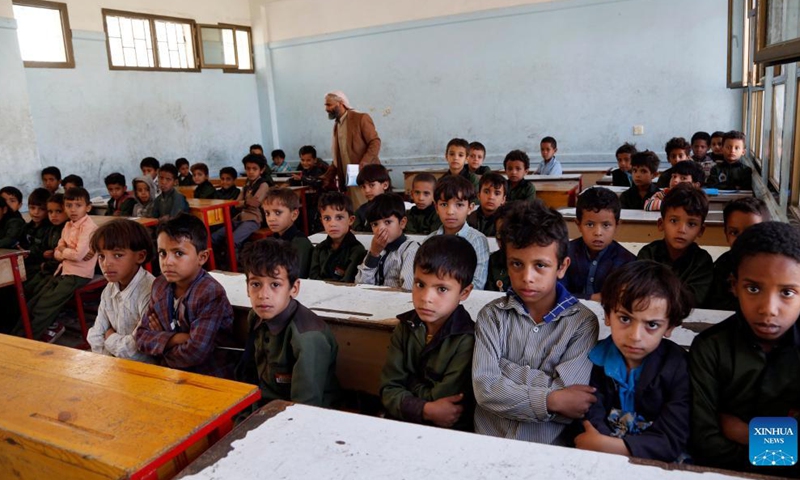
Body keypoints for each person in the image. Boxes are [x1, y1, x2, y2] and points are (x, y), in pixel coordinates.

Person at [472, 200, 599, 444]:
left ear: (562, 267)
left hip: (547, 448)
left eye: (540, 265)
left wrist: (505, 372)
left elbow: (572, 405)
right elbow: (485, 390)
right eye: (516, 264)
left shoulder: (582, 323)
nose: (527, 277)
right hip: (487, 441)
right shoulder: (492, 316)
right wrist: (551, 398)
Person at [690, 222, 800, 475]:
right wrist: (786, 443)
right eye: (753, 289)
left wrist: (746, 433)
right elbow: (705, 443)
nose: (769, 309)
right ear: (734, 286)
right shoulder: (710, 349)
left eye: (787, 292)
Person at [575, 260, 692, 462]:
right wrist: (601, 443)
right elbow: (591, 418)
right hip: (601, 460)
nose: (635, 336)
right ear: (608, 316)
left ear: (670, 327)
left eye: (652, 324)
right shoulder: (595, 360)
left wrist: (606, 445)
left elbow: (671, 439)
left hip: (660, 464)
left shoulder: (678, 367)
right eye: (625, 319)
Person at [380, 235, 477, 431]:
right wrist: (426, 408)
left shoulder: (466, 339)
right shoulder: (405, 326)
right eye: (420, 284)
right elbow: (387, 389)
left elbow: (445, 402)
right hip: (403, 425)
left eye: (441, 288)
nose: (426, 298)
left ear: (464, 293)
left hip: (448, 432)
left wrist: (408, 385)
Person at [236, 238, 341, 407]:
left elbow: (304, 407)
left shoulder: (307, 338)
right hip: (263, 405)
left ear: (294, 288)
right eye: (255, 284)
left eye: (275, 284)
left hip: (300, 416)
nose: (263, 295)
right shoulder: (256, 317)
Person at [134, 214, 236, 378]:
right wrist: (176, 339)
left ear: (202, 257)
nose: (168, 262)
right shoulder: (160, 285)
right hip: (171, 376)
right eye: (162, 253)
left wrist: (161, 347)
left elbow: (196, 352)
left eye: (178, 253)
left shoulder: (209, 293)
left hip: (209, 378)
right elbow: (140, 337)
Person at [16, 188, 98, 342]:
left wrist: (64, 251)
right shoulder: (67, 226)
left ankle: (27, 341)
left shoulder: (88, 228)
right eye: (69, 205)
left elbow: (77, 255)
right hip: (64, 270)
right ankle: (15, 339)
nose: (73, 209)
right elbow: (57, 254)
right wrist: (66, 252)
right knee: (33, 303)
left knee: (44, 307)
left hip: (78, 275)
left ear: (88, 207)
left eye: (78, 205)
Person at [86, 219, 156, 363]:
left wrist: (110, 336)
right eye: (101, 256)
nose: (106, 263)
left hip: (144, 371)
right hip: (114, 365)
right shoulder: (109, 289)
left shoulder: (150, 292)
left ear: (140, 256)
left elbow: (136, 350)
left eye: (117, 255)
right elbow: (95, 335)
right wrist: (109, 359)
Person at [637, 184, 713, 306]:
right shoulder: (648, 254)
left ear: (701, 231)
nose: (682, 230)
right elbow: (641, 293)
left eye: (692, 224)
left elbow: (693, 299)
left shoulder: (702, 261)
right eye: (674, 221)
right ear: (661, 224)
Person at [561, 187, 636, 300]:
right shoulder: (565, 253)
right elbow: (555, 293)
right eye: (590, 224)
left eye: (606, 225)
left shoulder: (627, 261)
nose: (598, 233)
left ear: (617, 225)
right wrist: (592, 298)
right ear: (578, 224)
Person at [427, 175, 490, 290]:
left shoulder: (477, 240)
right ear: (436, 208)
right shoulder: (430, 241)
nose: (450, 212)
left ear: (470, 208)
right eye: (444, 204)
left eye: (459, 205)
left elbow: (477, 283)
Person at [705, 197, 769, 310]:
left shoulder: (774, 267)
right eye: (734, 232)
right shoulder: (722, 266)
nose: (742, 239)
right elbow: (715, 305)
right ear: (726, 235)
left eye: (751, 232)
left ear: (765, 234)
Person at [323, 91, 381, 203]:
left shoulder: (360, 118)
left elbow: (375, 142)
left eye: (329, 105)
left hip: (365, 174)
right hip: (349, 177)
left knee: (369, 207)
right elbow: (339, 155)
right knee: (355, 209)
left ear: (341, 103)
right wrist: (329, 175)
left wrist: (365, 162)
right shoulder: (337, 125)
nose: (326, 109)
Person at [355, 193, 419, 290]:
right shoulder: (375, 248)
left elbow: (408, 290)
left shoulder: (410, 251)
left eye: (388, 222)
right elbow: (360, 285)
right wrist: (374, 254)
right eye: (375, 224)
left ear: (402, 223)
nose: (380, 229)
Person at [211, 153, 270, 255]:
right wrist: (246, 202)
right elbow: (236, 204)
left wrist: (244, 202)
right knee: (214, 237)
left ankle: (237, 265)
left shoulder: (263, 185)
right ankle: (222, 262)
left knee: (232, 241)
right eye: (248, 168)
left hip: (253, 219)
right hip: (240, 218)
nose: (250, 172)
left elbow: (254, 204)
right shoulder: (247, 185)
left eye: (254, 169)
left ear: (262, 170)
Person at [309, 192, 366, 283]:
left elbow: (347, 281)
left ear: (351, 220)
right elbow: (313, 279)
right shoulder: (319, 249)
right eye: (327, 218)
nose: (332, 224)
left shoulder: (357, 250)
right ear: (321, 221)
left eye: (339, 218)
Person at [23, 193, 67, 298]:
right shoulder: (52, 229)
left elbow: (63, 255)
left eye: (58, 211)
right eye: (50, 212)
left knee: (35, 288)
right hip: (46, 266)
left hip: (56, 269)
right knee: (26, 286)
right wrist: (43, 253)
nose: (53, 215)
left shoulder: (66, 229)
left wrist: (46, 263)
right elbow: (44, 248)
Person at [262, 187, 313, 279]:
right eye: (267, 213)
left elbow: (296, 277)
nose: (271, 218)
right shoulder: (272, 240)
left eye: (278, 212)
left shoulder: (300, 244)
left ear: (294, 215)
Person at [352, 164, 391, 232]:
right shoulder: (360, 211)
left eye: (371, 185)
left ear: (385, 185)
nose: (367, 190)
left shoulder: (395, 207)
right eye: (363, 187)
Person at [467, 172, 507, 237]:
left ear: (503, 199)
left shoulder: (507, 222)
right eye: (486, 192)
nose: (491, 197)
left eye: (497, 193)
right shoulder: (468, 219)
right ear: (479, 195)